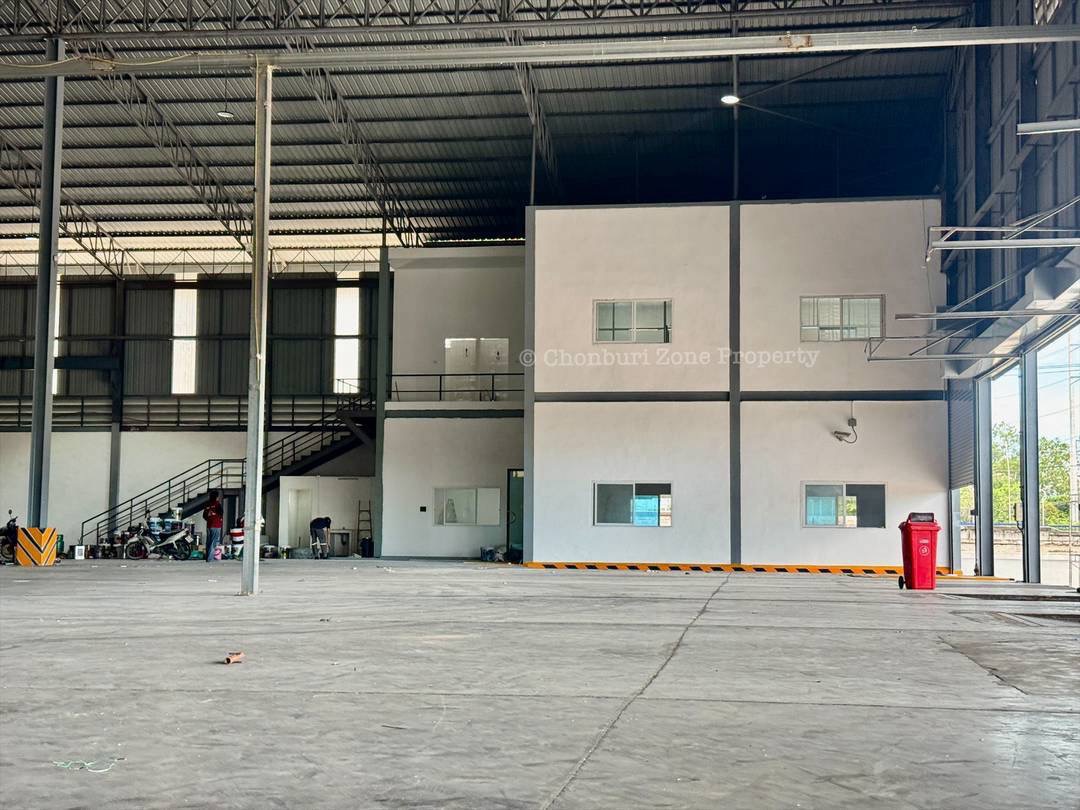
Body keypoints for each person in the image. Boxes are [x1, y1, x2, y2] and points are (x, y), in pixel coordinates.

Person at [203, 490, 224, 563]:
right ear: (216, 497)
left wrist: (209, 519)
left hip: (209, 525)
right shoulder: (217, 504)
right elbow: (221, 513)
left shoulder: (207, 505)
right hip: (216, 525)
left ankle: (207, 557)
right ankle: (210, 559)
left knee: (208, 542)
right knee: (213, 542)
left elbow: (204, 516)